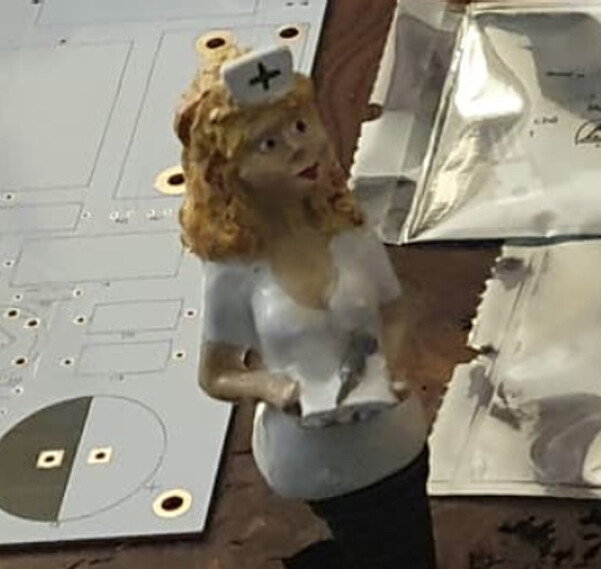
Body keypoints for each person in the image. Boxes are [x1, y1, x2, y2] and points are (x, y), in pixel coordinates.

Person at [175, 42, 436, 569]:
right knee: (369, 545)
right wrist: (273, 388)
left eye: (300, 127)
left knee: (410, 543)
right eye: (269, 143)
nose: (299, 149)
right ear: (228, 171)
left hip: (391, 436)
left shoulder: (348, 230)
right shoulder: (235, 270)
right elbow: (216, 375)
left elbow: (392, 311)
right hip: (315, 458)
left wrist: (393, 365)